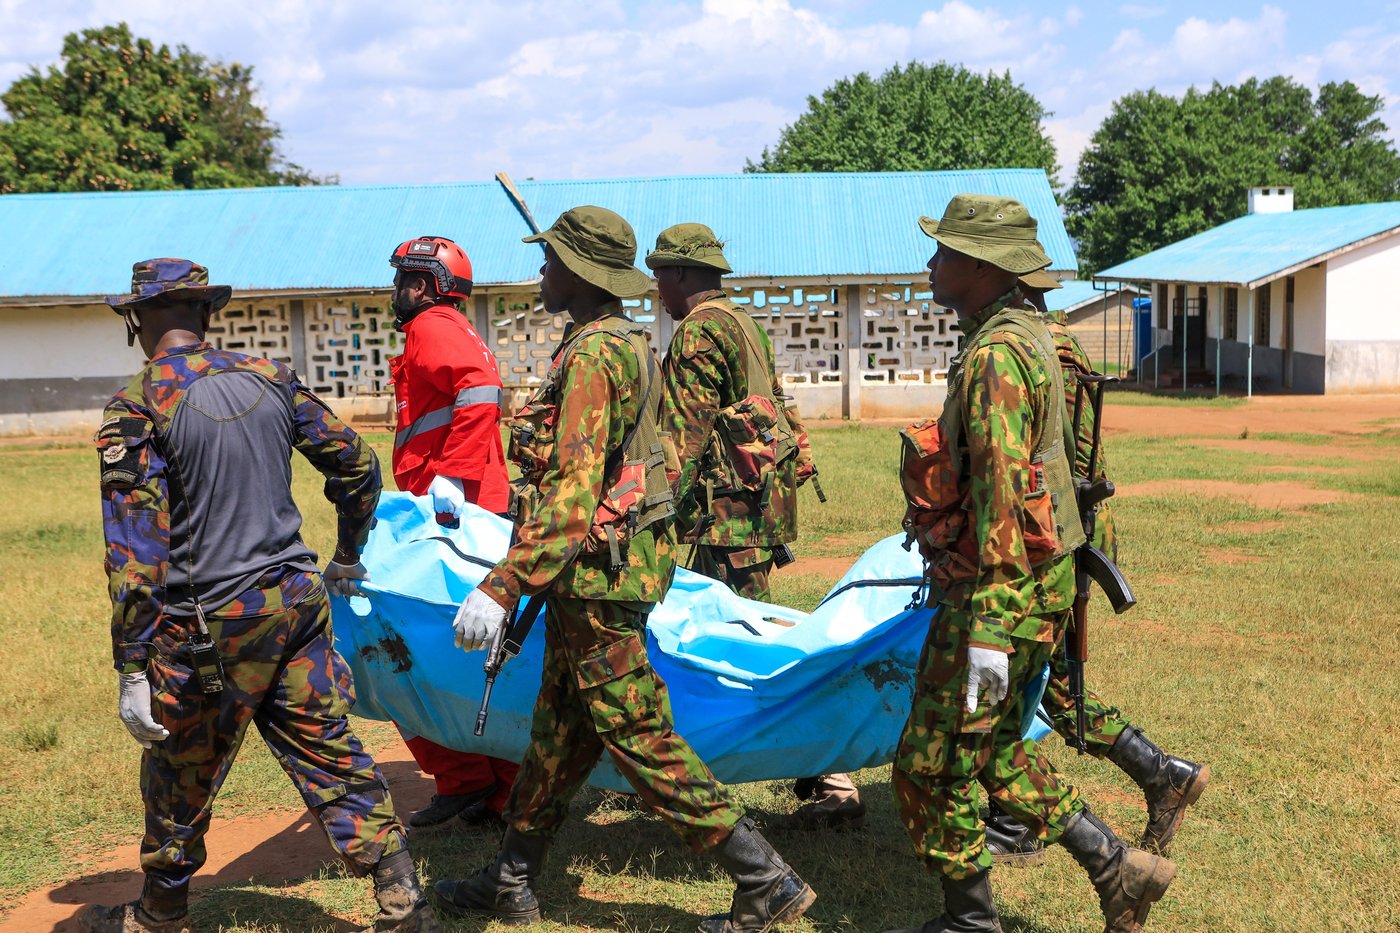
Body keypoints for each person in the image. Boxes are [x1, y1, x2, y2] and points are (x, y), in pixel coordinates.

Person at [432, 207, 815, 931]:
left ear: (580, 272)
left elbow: (573, 491)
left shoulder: (594, 355)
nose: (542, 272)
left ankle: (763, 877)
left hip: (599, 577)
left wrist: (502, 583)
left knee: (637, 730)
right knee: (559, 730)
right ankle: (512, 879)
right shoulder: (621, 341)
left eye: (552, 261)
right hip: (599, 570)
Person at [82, 259, 438, 933]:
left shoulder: (136, 406)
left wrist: (132, 665)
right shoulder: (271, 376)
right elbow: (358, 464)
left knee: (180, 771)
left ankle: (158, 914)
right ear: (207, 314)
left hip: (208, 627)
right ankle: (403, 901)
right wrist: (349, 551)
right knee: (327, 745)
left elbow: (135, 555)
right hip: (296, 606)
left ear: (135, 321)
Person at [891, 198, 1176, 933]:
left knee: (932, 761)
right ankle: (1118, 868)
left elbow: (1002, 492)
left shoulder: (996, 356)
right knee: (993, 750)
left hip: (997, 595)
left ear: (983, 266)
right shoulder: (1027, 335)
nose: (931, 264)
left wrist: (987, 625)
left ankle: (971, 922)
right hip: (1033, 586)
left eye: (945, 252)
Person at [979, 269, 1208, 867]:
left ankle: (1030, 813)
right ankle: (1159, 775)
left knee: (1038, 682)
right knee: (1051, 682)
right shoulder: (1057, 339)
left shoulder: (1027, 346)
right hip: (1069, 525)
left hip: (1055, 533)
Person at [646, 223, 863, 832]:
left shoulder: (697, 333)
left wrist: (653, 512)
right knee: (741, 634)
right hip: (756, 503)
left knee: (749, 643)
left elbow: (682, 438)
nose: (657, 289)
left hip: (727, 515)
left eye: (661, 275)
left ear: (681, 273)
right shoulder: (742, 322)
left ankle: (833, 776)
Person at [385, 235, 519, 832]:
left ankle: (468, 779)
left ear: (423, 285)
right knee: (475, 651)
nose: (395, 290)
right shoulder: (450, 325)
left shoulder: (431, 326)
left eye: (402, 280)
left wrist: (452, 474)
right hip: (462, 507)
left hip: (452, 513)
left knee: (407, 647)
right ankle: (495, 790)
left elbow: (481, 389)